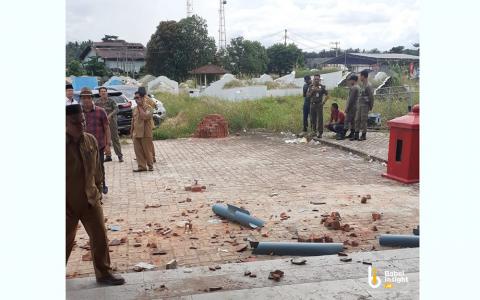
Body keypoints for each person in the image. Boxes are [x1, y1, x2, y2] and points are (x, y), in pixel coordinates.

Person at [66, 104, 125, 286]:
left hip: (91, 200)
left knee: (100, 237)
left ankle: (104, 273)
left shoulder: (90, 140)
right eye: (76, 123)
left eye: (82, 121)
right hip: (67, 204)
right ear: (66, 123)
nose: (81, 125)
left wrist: (99, 189)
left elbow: (97, 169)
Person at [81, 87, 111, 194]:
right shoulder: (79, 112)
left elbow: (106, 128)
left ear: (91, 98)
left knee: (99, 166)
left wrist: (108, 145)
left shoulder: (100, 111)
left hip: (99, 145)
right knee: (86, 168)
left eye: (88, 98)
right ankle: (89, 187)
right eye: (83, 98)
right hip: (84, 146)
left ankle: (102, 185)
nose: (85, 100)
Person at [95, 87, 124, 163]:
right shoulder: (97, 102)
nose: (103, 93)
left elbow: (116, 109)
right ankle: (108, 156)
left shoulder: (111, 101)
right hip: (101, 124)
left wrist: (110, 115)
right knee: (104, 139)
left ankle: (119, 156)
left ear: (106, 93)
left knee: (115, 139)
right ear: (99, 93)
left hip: (111, 123)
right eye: (102, 91)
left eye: (104, 91)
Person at [131, 91, 154, 172]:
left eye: (138, 98)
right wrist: (131, 132)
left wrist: (140, 107)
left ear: (143, 98)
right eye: (135, 98)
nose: (136, 100)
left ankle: (150, 165)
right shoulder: (134, 109)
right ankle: (141, 166)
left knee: (147, 151)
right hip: (136, 133)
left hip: (146, 133)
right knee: (138, 151)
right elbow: (133, 121)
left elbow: (145, 117)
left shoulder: (149, 108)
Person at [138, 87, 157, 163]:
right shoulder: (148, 99)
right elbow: (155, 105)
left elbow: (153, 107)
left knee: (148, 141)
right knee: (147, 141)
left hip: (147, 122)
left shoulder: (145, 99)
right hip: (146, 123)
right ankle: (150, 156)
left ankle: (151, 156)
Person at [307, 74, 329, 138]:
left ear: (319, 80)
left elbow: (327, 95)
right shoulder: (310, 86)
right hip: (312, 104)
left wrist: (323, 102)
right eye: (315, 79)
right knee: (312, 119)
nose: (316, 80)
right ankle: (314, 131)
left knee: (320, 119)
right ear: (313, 79)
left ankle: (320, 132)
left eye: (317, 79)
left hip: (319, 104)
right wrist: (312, 91)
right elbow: (307, 96)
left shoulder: (322, 87)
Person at [354, 70, 375, 141]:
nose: (359, 77)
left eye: (360, 76)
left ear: (363, 76)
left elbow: (371, 97)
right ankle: (356, 133)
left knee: (363, 120)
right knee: (357, 119)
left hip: (365, 106)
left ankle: (363, 135)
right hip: (360, 105)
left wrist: (371, 106)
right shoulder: (362, 85)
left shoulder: (368, 86)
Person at [345, 74, 359, 140]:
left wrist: (347, 108)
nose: (349, 82)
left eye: (350, 80)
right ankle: (352, 133)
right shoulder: (357, 87)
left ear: (353, 80)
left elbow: (351, 99)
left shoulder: (354, 88)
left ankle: (343, 133)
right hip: (355, 106)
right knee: (353, 121)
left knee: (347, 120)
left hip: (352, 107)